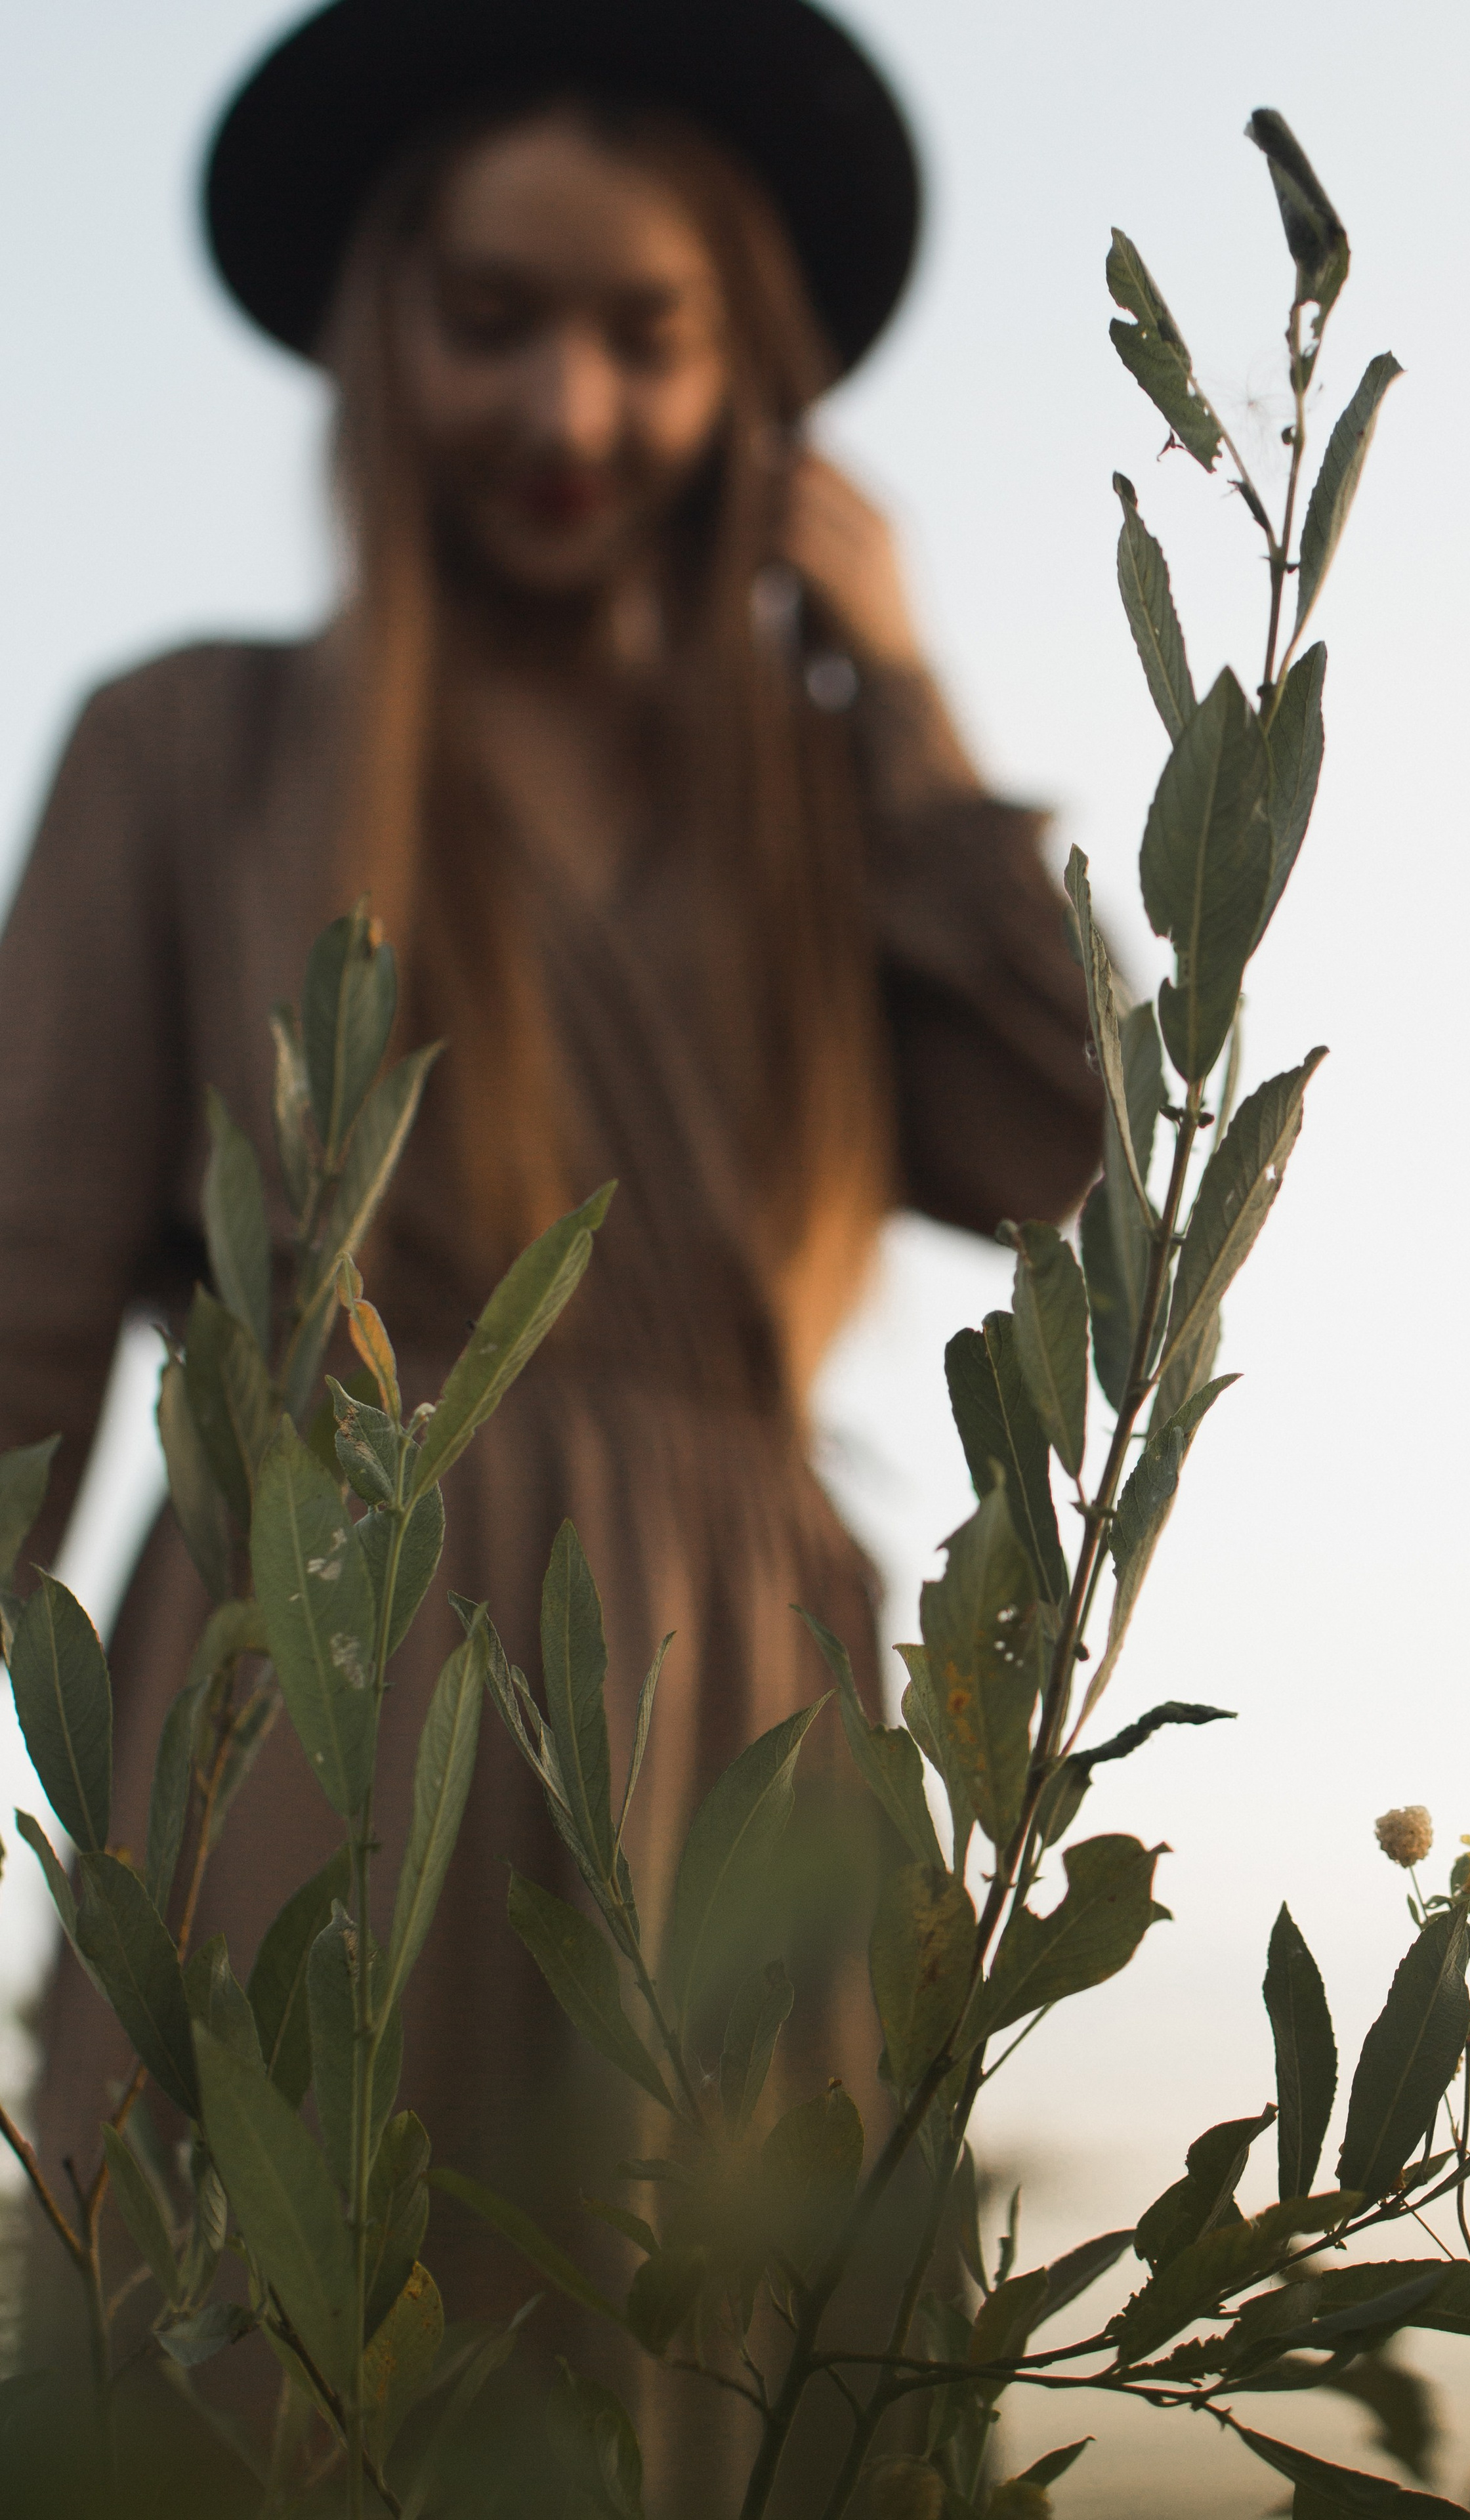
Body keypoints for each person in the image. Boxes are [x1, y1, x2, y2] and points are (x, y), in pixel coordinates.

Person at [0, 0, 1102, 2495]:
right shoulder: (185, 744)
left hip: (755, 1719)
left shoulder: (826, 806)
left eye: (650, 336)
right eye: (496, 320)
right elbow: (24, 1301)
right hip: (316, 1674)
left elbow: (1070, 1155)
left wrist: (909, 712)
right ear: (382, 333)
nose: (570, 413)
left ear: (764, 388)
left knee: (730, 2394)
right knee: (248, 2374)